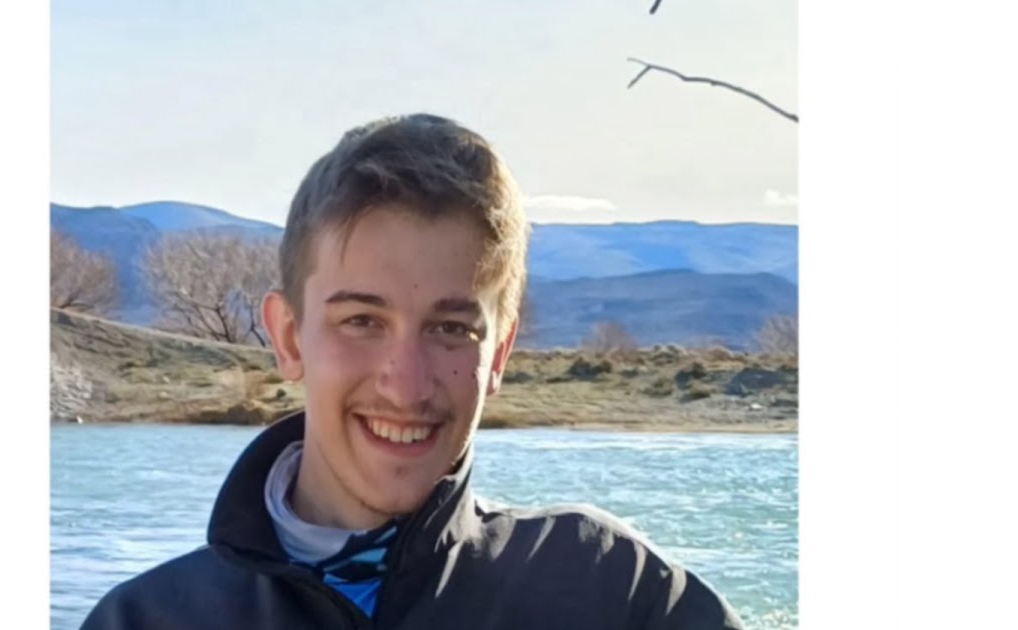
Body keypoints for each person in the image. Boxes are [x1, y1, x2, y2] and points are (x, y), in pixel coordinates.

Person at [81, 114, 744, 629]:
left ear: (499, 355)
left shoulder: (612, 591)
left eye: (451, 329)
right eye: (361, 321)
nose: (406, 384)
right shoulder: (146, 620)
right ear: (288, 337)